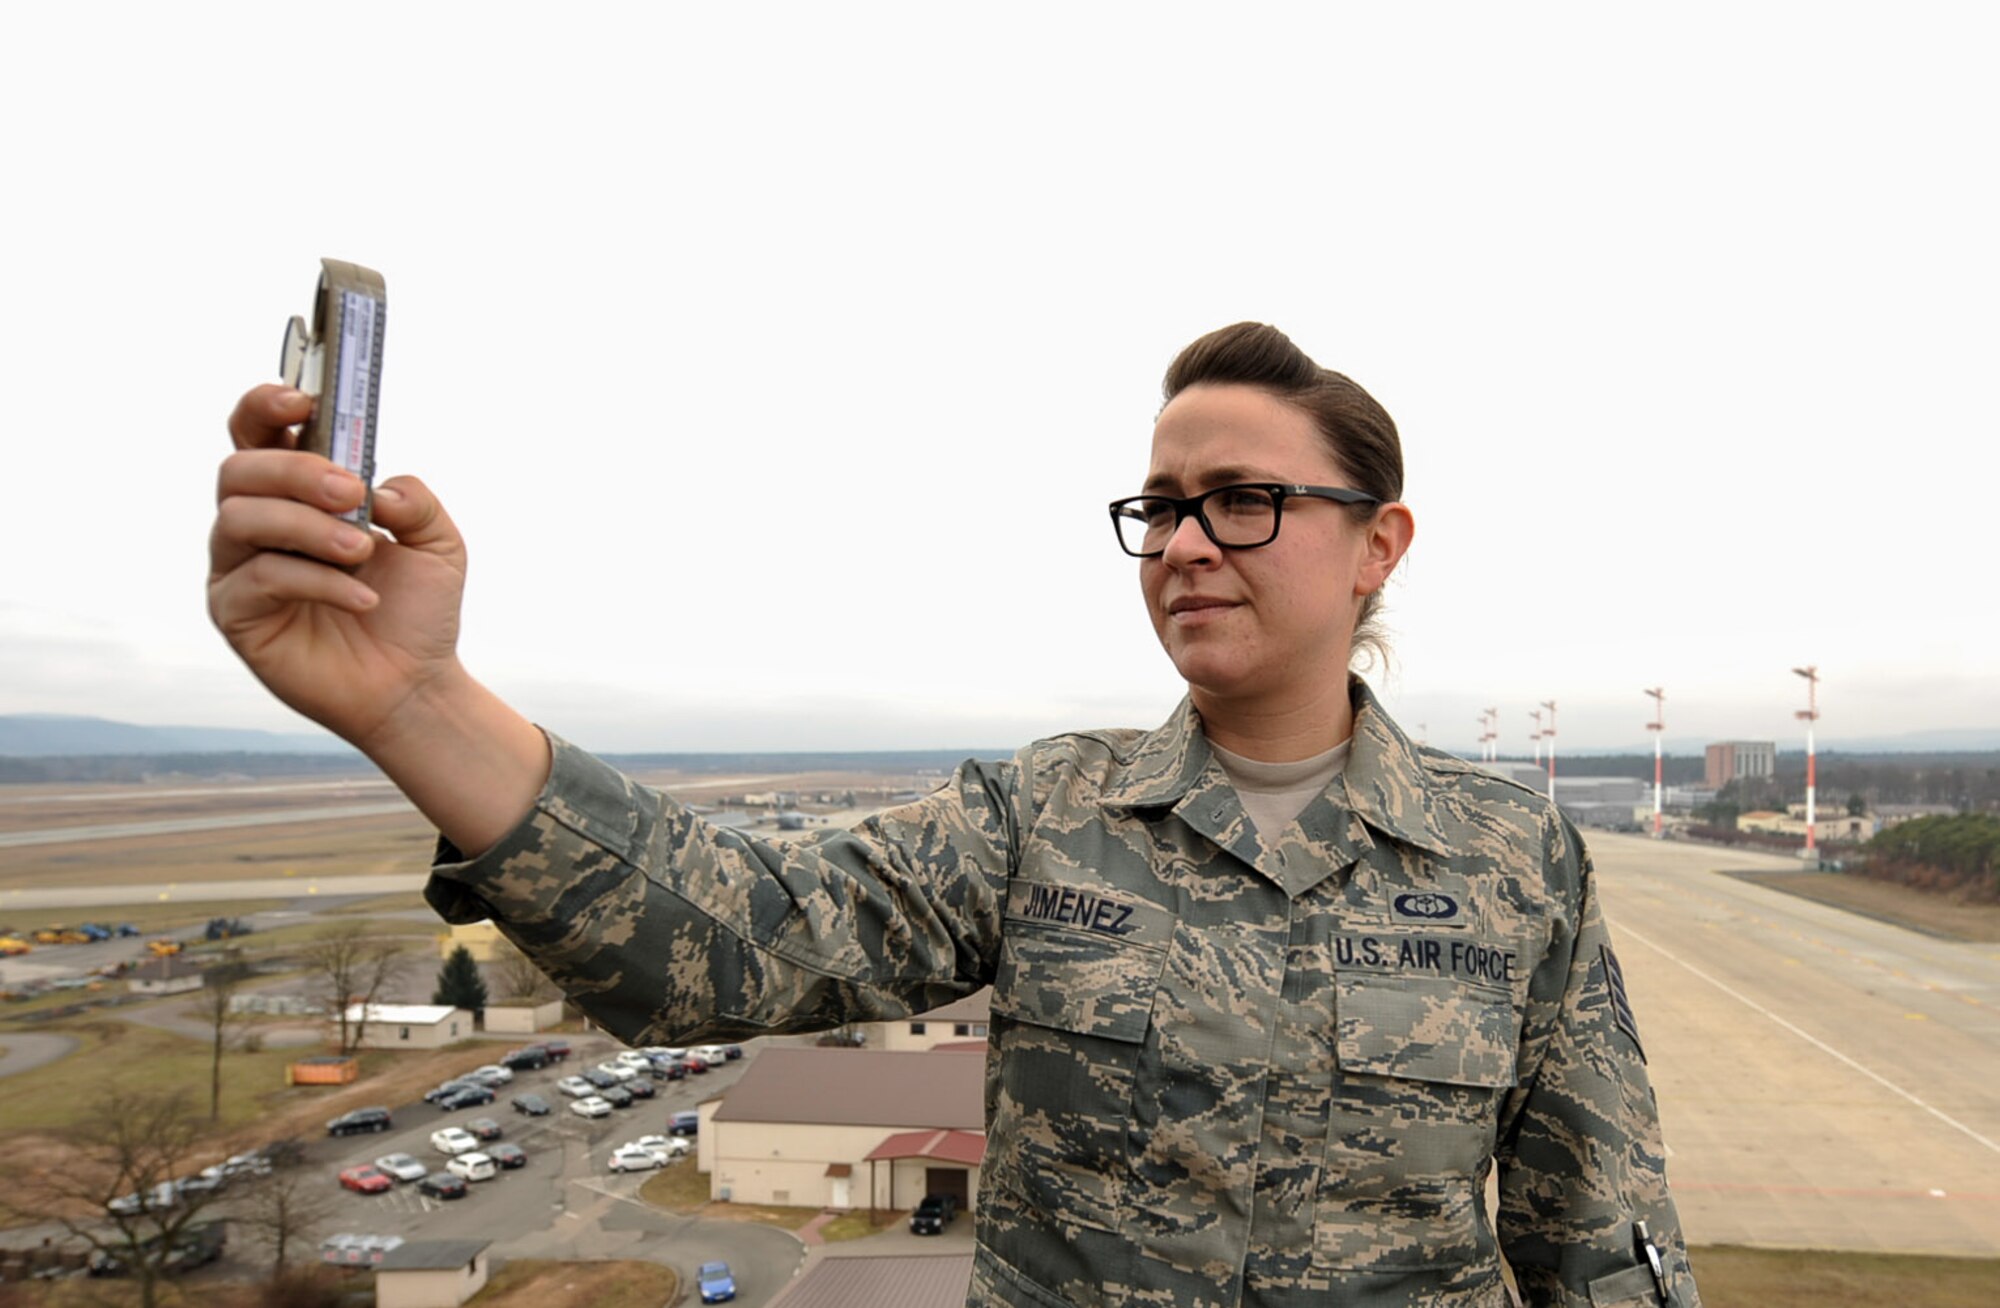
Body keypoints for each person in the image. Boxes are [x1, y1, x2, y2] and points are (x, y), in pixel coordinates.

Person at [210, 322, 1699, 1307]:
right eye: (1158, 506)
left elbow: (1597, 1234)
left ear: (1378, 544)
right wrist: (415, 699)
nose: (1182, 543)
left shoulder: (1515, 864)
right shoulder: (1042, 818)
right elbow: (719, 945)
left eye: (1240, 500)